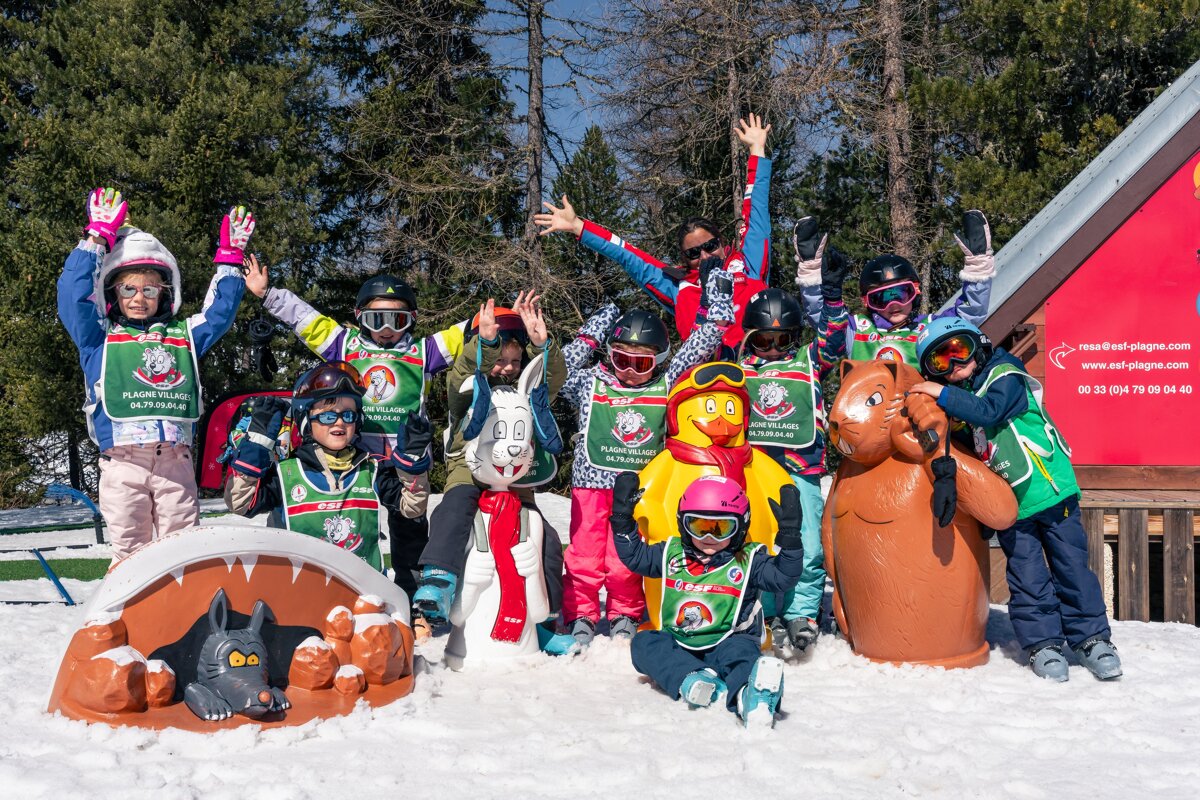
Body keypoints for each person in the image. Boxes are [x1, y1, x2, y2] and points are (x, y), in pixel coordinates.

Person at [908, 317, 1122, 682]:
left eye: (959, 351)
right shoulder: (963, 398)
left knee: (1070, 568)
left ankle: (1092, 639)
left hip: (1052, 493)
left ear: (979, 344)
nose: (955, 366)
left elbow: (990, 412)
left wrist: (937, 391)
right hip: (1012, 504)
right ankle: (1043, 644)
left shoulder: (1006, 375)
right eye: (940, 363)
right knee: (1026, 575)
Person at [244, 263, 464, 597]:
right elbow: (309, 323)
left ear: (412, 319)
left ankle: (413, 594)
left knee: (411, 531)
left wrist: (497, 322)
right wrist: (269, 295)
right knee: (351, 524)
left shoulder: (423, 353)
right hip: (357, 459)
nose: (387, 329)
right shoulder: (347, 346)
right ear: (360, 317)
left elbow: (465, 334)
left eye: (398, 320)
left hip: (405, 461)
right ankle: (339, 584)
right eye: (377, 320)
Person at [57, 187, 249, 562]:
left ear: (166, 292)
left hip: (174, 460)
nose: (139, 297)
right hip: (122, 461)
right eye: (128, 288)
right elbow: (72, 298)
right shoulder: (99, 337)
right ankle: (123, 616)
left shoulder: (183, 336)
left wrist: (229, 262)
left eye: (150, 288)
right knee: (130, 551)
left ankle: (182, 615)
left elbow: (218, 316)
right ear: (113, 292)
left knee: (183, 550)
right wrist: (96, 239)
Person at [557, 266, 734, 648]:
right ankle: (581, 612)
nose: (631, 372)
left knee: (626, 558)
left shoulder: (666, 384)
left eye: (642, 364)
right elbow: (559, 370)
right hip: (591, 485)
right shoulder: (592, 382)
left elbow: (705, 339)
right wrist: (597, 325)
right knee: (583, 555)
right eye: (622, 360)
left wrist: (719, 300)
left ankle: (624, 611)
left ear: (659, 361)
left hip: (637, 490)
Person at [534, 115, 774, 350]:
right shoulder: (680, 288)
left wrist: (756, 152)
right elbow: (629, 256)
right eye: (693, 253)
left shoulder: (747, 264)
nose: (704, 257)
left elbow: (756, 212)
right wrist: (579, 227)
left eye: (710, 246)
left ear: (722, 242)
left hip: (758, 368)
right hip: (708, 379)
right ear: (684, 259)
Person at [414, 293, 569, 644]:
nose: (508, 368)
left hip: (514, 476)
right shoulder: (467, 391)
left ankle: (543, 624)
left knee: (546, 540)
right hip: (468, 469)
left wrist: (543, 345)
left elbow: (550, 381)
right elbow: (463, 373)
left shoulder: (525, 394)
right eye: (500, 360)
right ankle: (439, 581)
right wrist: (484, 343)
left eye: (515, 361)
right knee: (453, 512)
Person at [612, 472, 804, 727]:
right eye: (699, 527)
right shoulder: (671, 553)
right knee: (644, 643)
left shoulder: (749, 560)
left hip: (728, 641)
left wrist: (790, 539)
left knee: (744, 656)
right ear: (683, 524)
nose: (709, 538)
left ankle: (751, 697)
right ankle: (693, 679)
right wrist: (623, 521)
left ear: (741, 526)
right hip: (680, 643)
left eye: (721, 528)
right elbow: (635, 557)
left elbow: (782, 577)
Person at [737, 242, 849, 652]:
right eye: (761, 340)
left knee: (806, 541)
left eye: (780, 340)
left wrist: (832, 296)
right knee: (761, 540)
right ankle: (766, 611)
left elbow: (835, 343)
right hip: (757, 470)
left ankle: (801, 611)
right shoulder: (740, 368)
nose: (770, 349)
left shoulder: (806, 360)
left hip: (801, 468)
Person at [224, 361, 431, 572]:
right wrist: (256, 446)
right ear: (306, 421)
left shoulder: (371, 470)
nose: (339, 423)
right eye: (328, 416)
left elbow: (413, 508)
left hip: (366, 596)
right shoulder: (287, 474)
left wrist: (412, 462)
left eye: (348, 415)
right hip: (300, 594)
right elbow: (240, 503)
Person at [794, 210, 996, 366]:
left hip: (917, 414)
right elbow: (825, 323)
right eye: (881, 298)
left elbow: (969, 314)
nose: (893, 304)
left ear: (915, 292)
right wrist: (813, 272)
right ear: (867, 302)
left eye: (901, 294)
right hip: (864, 414)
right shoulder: (857, 330)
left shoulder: (930, 327)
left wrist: (977, 267)